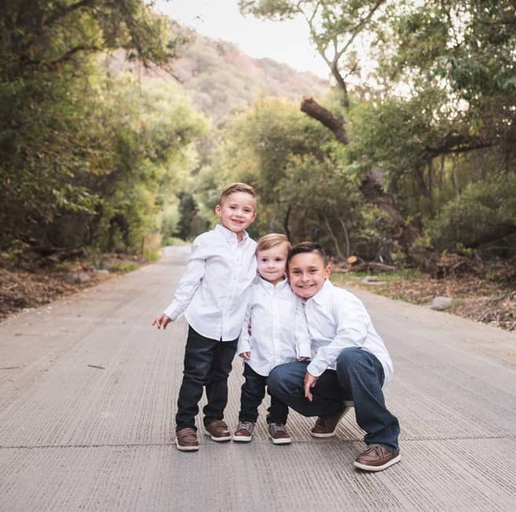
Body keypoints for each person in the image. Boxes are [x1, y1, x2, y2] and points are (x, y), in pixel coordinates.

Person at [267, 241, 401, 472]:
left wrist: (314, 367)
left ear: (327, 272)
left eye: (312, 271)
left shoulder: (342, 299)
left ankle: (384, 441)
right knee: (279, 377)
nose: (304, 278)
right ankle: (332, 408)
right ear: (288, 276)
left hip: (366, 367)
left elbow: (352, 336)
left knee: (349, 357)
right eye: (296, 272)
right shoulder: (296, 304)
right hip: (332, 373)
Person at [152, 182, 258, 452]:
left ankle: (214, 419)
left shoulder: (253, 249)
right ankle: (185, 425)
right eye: (233, 207)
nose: (238, 214)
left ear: (253, 216)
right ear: (219, 210)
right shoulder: (206, 242)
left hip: (232, 326)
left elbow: (256, 288)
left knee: (221, 374)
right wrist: (173, 310)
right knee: (195, 374)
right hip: (204, 322)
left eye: (246, 210)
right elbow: (190, 281)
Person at [233, 233, 310, 445]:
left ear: (287, 262)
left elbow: (300, 319)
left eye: (277, 260)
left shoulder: (293, 291)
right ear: (256, 261)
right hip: (257, 353)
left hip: (286, 353)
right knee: (251, 391)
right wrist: (243, 344)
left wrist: (303, 347)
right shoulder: (252, 289)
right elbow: (243, 320)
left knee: (280, 393)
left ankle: (277, 423)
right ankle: (246, 421)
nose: (270, 265)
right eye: (264, 260)